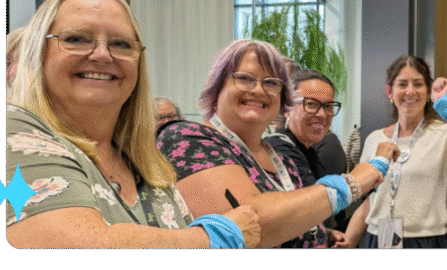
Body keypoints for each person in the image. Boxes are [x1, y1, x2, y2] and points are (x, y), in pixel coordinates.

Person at [5, 0, 259, 249]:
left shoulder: (148, 168)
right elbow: (78, 248)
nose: (102, 54)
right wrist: (213, 238)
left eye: (122, 44)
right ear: (38, 54)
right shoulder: (10, 130)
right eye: (76, 39)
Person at [157, 39, 395, 249]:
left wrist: (317, 232)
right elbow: (250, 226)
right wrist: (353, 182)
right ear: (217, 86)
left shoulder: (283, 161)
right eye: (245, 79)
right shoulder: (188, 138)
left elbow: (292, 216)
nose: (259, 90)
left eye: (271, 83)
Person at [339, 54, 447, 249]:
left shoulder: (444, 133)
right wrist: (347, 243)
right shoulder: (374, 139)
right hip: (377, 239)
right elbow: (371, 202)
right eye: (402, 84)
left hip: (426, 242)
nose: (410, 91)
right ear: (389, 92)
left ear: (428, 92)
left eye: (418, 84)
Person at [264, 69, 351, 232]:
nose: (322, 114)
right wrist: (366, 174)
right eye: (311, 104)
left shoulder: (307, 150)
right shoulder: (279, 149)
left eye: (328, 106)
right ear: (287, 107)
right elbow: (320, 211)